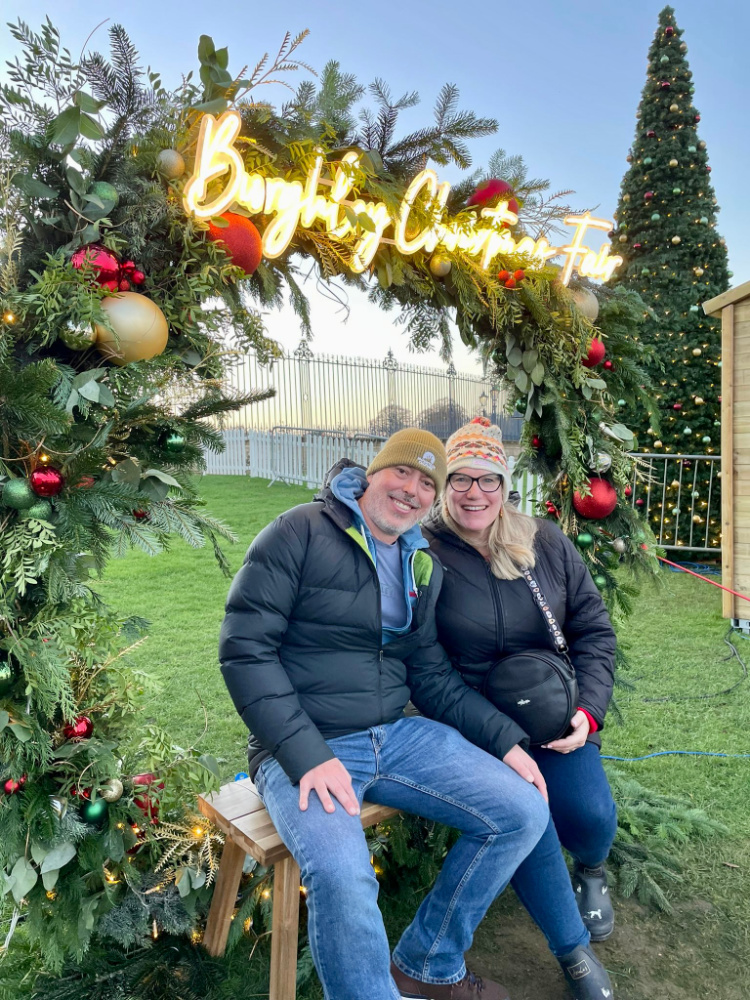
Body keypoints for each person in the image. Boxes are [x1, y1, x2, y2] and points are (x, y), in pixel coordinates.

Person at [218, 428, 550, 1000]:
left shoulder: (420, 560)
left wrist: (507, 743)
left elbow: (431, 674)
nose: (412, 490)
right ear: (371, 473)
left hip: (396, 735)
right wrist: (306, 755)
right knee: (345, 877)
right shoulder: (298, 531)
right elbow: (245, 651)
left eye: (428, 483)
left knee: (521, 811)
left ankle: (427, 961)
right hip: (303, 744)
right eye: (402, 473)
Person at [423, 416, 619, 996]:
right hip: (478, 726)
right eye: (461, 478)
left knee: (590, 816)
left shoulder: (545, 542)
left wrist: (587, 713)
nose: (474, 493)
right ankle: (573, 954)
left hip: (556, 714)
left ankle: (592, 867)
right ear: (444, 484)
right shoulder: (424, 551)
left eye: (488, 479)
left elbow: (594, 631)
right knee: (527, 814)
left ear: (506, 486)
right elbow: (426, 667)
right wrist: (498, 741)